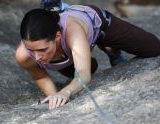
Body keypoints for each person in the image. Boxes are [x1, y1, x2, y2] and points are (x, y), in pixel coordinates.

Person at [15, 3, 160, 110]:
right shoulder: (23, 56)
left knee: (154, 48)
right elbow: (40, 76)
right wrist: (54, 96)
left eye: (42, 49)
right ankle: (89, 58)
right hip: (69, 53)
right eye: (31, 50)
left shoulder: (73, 30)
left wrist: (65, 92)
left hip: (100, 27)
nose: (37, 57)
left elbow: (83, 75)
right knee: (89, 67)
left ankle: (110, 48)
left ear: (57, 36)